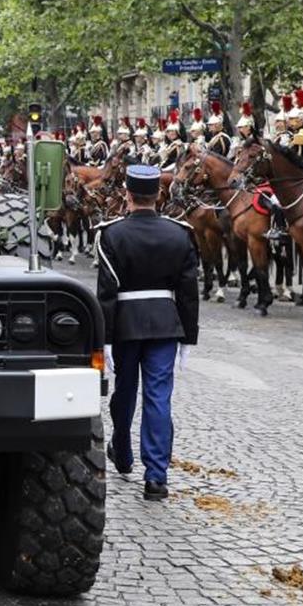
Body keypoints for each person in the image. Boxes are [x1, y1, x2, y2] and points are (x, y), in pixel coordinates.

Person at [97, 164, 199, 501]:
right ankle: (156, 477)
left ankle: (122, 454)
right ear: (159, 195)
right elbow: (187, 291)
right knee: (158, 397)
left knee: (124, 393)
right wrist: (188, 337)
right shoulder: (180, 233)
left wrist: (106, 338)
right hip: (166, 324)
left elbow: (107, 293)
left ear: (126, 194)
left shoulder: (111, 234)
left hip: (126, 324)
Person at [286, 88, 303, 159]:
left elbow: (296, 125)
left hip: (301, 139)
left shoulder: (301, 112)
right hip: (291, 137)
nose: (292, 99)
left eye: (294, 97)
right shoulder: (293, 111)